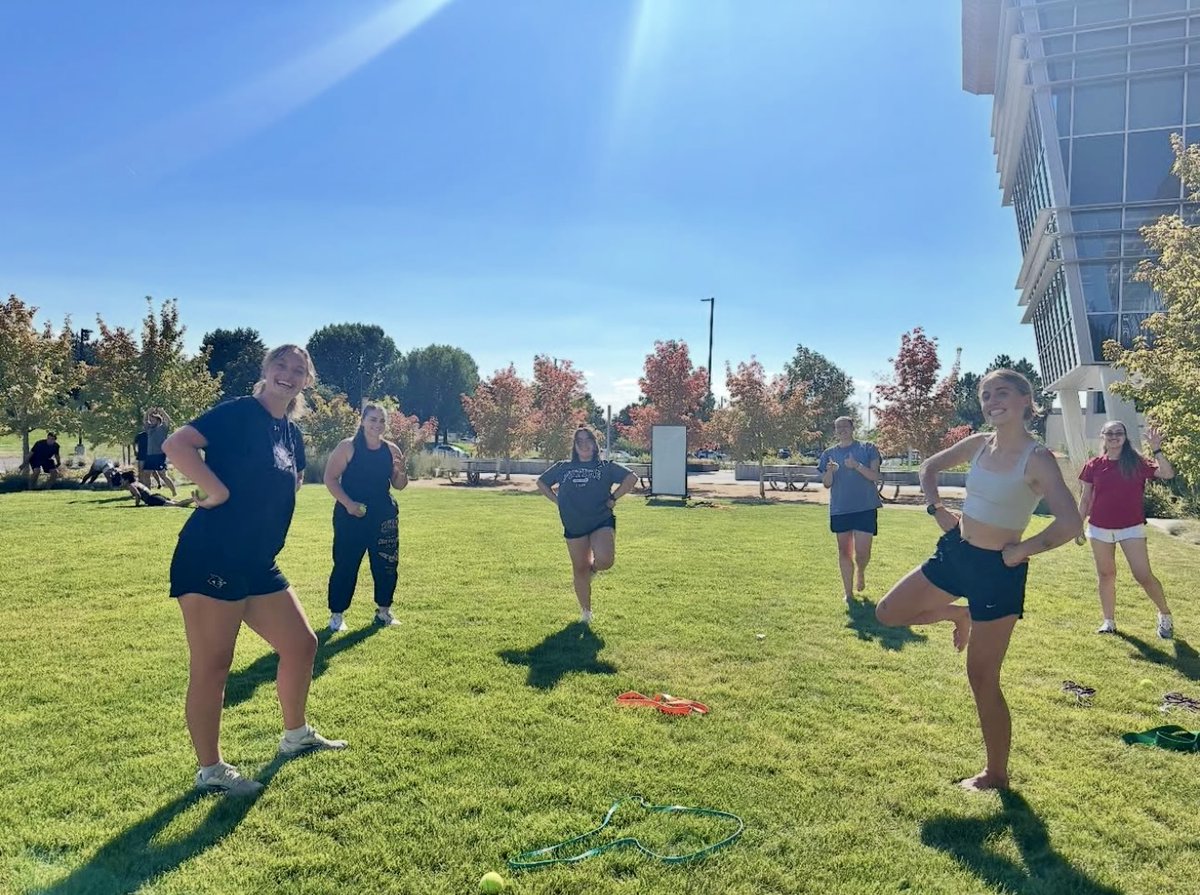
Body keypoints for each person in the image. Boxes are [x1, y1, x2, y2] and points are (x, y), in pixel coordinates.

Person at [875, 369, 1080, 792]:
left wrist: (1024, 550)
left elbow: (1071, 522)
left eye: (1000, 392)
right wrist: (937, 509)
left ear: (1026, 399)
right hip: (957, 552)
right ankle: (960, 615)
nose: (990, 401)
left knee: (982, 677)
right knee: (888, 613)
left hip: (998, 572)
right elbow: (929, 467)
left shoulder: (1037, 459)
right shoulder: (978, 445)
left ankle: (996, 775)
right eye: (985, 395)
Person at [164, 344, 345, 797]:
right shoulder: (240, 412)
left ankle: (295, 735)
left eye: (298, 369)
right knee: (213, 664)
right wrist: (216, 490)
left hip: (256, 560)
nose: (288, 373)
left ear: (307, 380)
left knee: (301, 644)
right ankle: (211, 770)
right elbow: (176, 444)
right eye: (280, 365)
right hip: (212, 555)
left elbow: (291, 480)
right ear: (265, 371)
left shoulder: (291, 433)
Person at [1078, 421, 1176, 639]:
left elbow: (1167, 474)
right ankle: (1109, 622)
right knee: (1106, 575)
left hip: (1131, 527)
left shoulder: (1137, 463)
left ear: (1125, 437)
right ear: (1102, 436)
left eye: (1118, 433)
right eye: (1109, 433)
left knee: (1143, 575)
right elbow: (1085, 499)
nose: (1114, 437)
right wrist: (1078, 524)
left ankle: (1165, 615)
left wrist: (1157, 448)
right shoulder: (1093, 465)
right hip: (1099, 528)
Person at [536, 428, 638, 624]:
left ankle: (595, 569)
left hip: (601, 520)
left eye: (588, 439)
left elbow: (631, 478)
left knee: (606, 560)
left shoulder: (605, 466)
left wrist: (613, 498)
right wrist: (558, 501)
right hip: (574, 523)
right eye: (579, 441)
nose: (584, 444)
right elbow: (541, 483)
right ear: (574, 446)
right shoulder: (563, 467)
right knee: (579, 568)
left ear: (594, 443)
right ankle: (586, 613)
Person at [323, 403, 408, 632]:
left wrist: (400, 472)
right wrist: (349, 505)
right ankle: (337, 615)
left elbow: (399, 485)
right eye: (372, 419)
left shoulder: (391, 450)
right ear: (362, 421)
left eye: (381, 421)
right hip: (351, 514)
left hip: (383, 514)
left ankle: (384, 611)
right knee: (346, 564)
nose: (377, 425)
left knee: (387, 564)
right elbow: (330, 479)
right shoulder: (347, 447)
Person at [817, 416, 883, 602]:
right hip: (840, 509)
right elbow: (827, 484)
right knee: (844, 552)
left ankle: (861, 572)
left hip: (865, 508)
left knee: (862, 552)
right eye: (838, 427)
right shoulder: (828, 454)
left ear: (853, 428)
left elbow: (874, 476)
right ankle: (848, 593)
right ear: (835, 431)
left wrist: (856, 466)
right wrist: (830, 471)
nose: (841, 430)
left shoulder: (868, 448)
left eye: (845, 426)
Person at [143, 409, 178, 496]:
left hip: (159, 455)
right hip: (150, 455)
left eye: (153, 420)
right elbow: (145, 420)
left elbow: (167, 419)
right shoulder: (149, 429)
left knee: (162, 475)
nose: (150, 421)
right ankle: (148, 493)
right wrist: (148, 412)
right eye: (150, 420)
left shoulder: (163, 428)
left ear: (158, 421)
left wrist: (162, 411)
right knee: (146, 474)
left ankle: (174, 492)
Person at [118, 469, 194, 507]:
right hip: (155, 496)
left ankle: (194, 499)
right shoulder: (137, 483)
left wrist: (136, 505)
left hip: (153, 499)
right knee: (177, 502)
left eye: (122, 479)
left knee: (177, 505)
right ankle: (193, 499)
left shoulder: (131, 485)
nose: (121, 481)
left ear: (127, 479)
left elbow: (138, 495)